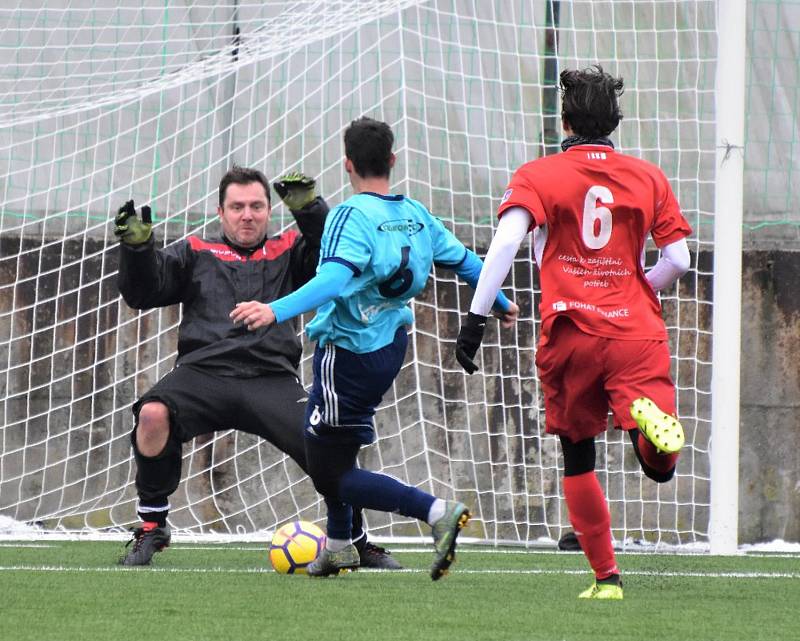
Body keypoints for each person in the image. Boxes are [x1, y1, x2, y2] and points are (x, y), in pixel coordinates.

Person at [230, 117, 519, 579]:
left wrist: (273, 311)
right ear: (392, 160)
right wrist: (500, 301)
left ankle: (436, 511)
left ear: (347, 164)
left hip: (348, 353)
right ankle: (342, 544)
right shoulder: (416, 215)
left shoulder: (351, 215)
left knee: (328, 468)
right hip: (390, 346)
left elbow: (332, 280)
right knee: (337, 449)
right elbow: (466, 262)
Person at [455, 65, 692, 600]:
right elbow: (677, 258)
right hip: (636, 331)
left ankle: (606, 579)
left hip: (569, 332)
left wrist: (475, 319)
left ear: (564, 119)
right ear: (615, 122)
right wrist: (642, 286)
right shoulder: (649, 176)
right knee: (657, 471)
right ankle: (652, 433)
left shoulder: (539, 175)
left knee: (577, 452)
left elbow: (506, 242)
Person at [114, 167, 399, 570]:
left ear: (269, 210)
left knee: (326, 442)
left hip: (271, 378)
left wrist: (312, 211)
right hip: (203, 374)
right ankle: (152, 526)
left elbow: (330, 258)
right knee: (153, 413)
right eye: (237, 207)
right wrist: (138, 251)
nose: (246, 215)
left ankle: (355, 539)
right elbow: (143, 292)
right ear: (220, 212)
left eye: (256, 206)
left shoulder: (290, 251)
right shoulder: (195, 251)